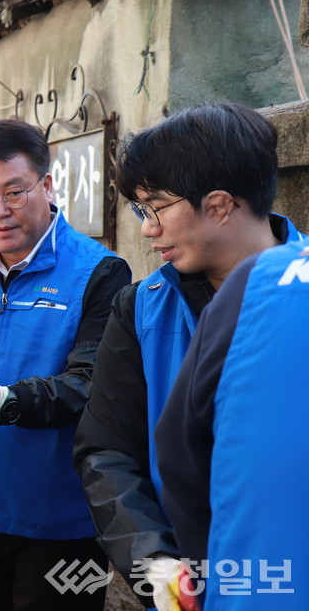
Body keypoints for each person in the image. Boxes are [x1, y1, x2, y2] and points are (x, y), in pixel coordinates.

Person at [72, 101, 304, 610]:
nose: (146, 228)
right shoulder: (139, 309)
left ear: (219, 205)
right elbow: (107, 450)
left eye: (155, 207)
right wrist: (154, 561)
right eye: (139, 210)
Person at [0, 119, 131, 611]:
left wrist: (4, 403)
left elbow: (91, 383)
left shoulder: (100, 272)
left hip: (66, 512)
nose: (0, 211)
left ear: (47, 186)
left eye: (15, 191)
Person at [155, 240, 309, 610]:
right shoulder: (147, 298)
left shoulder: (260, 279)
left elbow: (178, 452)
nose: (148, 228)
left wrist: (205, 573)